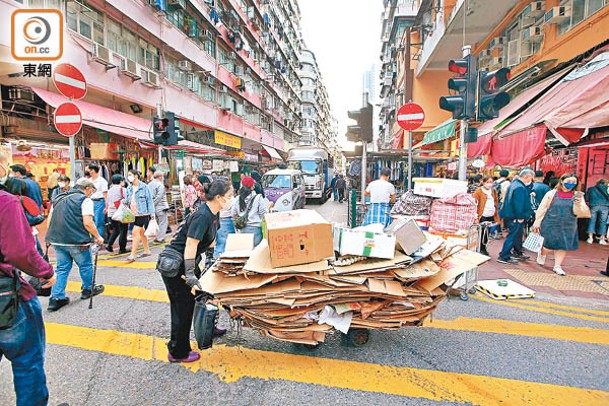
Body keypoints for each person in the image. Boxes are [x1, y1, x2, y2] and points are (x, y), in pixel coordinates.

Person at [0, 153, 57, 406]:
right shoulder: (5, 202)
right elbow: (20, 252)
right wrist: (46, 272)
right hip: (7, 299)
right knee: (28, 364)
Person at [159, 179, 233, 363]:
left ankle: (207, 327)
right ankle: (177, 351)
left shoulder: (214, 214)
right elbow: (191, 244)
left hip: (187, 262)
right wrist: (191, 273)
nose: (232, 199)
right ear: (218, 198)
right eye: (230, 196)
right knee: (182, 309)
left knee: (205, 295)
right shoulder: (203, 215)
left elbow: (211, 240)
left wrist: (211, 261)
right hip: (176, 265)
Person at [45, 178, 105, 311]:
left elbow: (50, 218)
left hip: (57, 240)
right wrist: (98, 237)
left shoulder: (58, 198)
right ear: (87, 188)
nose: (91, 194)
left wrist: (48, 237)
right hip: (77, 241)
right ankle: (87, 289)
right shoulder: (85, 200)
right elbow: (88, 222)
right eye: (92, 191)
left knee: (62, 268)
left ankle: (56, 298)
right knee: (85, 266)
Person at [534, 174, 588, 275]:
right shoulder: (552, 193)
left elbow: (583, 212)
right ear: (562, 181)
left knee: (563, 245)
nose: (570, 184)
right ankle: (542, 253)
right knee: (548, 245)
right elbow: (542, 208)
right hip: (550, 223)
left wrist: (578, 204)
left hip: (569, 224)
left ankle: (557, 266)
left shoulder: (577, 195)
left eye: (573, 182)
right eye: (568, 181)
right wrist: (537, 222)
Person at [497, 168, 535, 265]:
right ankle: (504, 255)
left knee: (515, 235)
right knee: (512, 236)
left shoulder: (514, 184)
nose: (531, 180)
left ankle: (512, 253)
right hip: (515, 216)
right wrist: (520, 216)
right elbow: (519, 204)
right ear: (526, 176)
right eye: (531, 178)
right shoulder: (520, 187)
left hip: (510, 215)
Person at [125, 170, 155, 263]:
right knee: (141, 232)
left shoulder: (144, 187)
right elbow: (127, 200)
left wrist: (152, 214)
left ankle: (132, 255)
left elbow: (149, 201)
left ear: (136, 176)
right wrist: (124, 201)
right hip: (134, 214)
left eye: (130, 175)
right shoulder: (129, 188)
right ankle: (147, 250)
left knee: (135, 232)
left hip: (143, 214)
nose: (128, 177)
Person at [232, 176, 267, 247]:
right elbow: (263, 214)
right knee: (255, 252)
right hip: (256, 229)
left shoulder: (237, 199)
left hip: (242, 229)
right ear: (252, 186)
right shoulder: (258, 198)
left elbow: (233, 213)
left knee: (246, 252)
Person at [472, 177, 500, 256]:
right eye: (487, 182)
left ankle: (483, 248)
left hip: (491, 215)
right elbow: (474, 203)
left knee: (487, 233)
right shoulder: (479, 191)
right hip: (482, 215)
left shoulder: (493, 191)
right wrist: (476, 215)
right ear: (483, 182)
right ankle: (481, 248)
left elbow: (496, 201)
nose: (489, 184)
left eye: (491, 182)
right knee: (482, 232)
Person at [213, 177, 236, 259]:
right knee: (224, 243)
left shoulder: (217, 196)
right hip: (227, 220)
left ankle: (217, 258)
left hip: (220, 219)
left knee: (220, 243)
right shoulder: (226, 197)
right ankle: (219, 260)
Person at [106, 174, 129, 254]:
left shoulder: (109, 190)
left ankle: (109, 244)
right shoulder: (123, 189)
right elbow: (127, 200)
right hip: (120, 212)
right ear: (120, 181)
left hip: (111, 213)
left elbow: (107, 201)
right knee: (123, 230)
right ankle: (122, 248)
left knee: (116, 229)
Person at [87, 164, 109, 238]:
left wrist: (106, 206)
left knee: (99, 222)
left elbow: (105, 194)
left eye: (90, 169)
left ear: (93, 170)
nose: (89, 171)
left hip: (99, 202)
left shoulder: (102, 181)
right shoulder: (88, 181)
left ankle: (99, 240)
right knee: (91, 221)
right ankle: (94, 238)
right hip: (90, 201)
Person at [148, 171, 170, 243]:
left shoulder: (149, 184)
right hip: (160, 207)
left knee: (157, 222)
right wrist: (153, 204)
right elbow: (159, 197)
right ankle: (160, 238)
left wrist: (151, 206)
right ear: (160, 176)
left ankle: (158, 236)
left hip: (153, 208)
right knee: (163, 223)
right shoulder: (160, 185)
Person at [585, 178, 609, 245]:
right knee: (603, 222)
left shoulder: (591, 189)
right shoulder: (607, 189)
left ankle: (590, 238)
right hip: (605, 206)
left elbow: (587, 198)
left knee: (592, 221)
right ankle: (602, 239)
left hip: (593, 206)